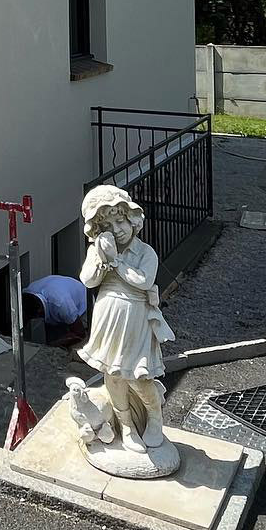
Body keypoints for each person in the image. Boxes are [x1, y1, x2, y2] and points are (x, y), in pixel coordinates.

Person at [77, 185, 175, 451]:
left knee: (140, 377)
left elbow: (143, 282)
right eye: (108, 225)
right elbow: (87, 280)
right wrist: (101, 258)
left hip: (136, 319)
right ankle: (127, 426)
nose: (117, 229)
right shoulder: (98, 252)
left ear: (131, 219)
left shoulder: (145, 253)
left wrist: (117, 262)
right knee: (114, 374)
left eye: (120, 220)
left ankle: (155, 418)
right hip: (108, 317)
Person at [22, 273, 88, 347]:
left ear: (39, 312)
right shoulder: (28, 292)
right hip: (60, 293)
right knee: (53, 339)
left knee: (74, 345)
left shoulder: (62, 304)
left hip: (81, 305)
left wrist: (55, 345)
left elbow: (79, 334)